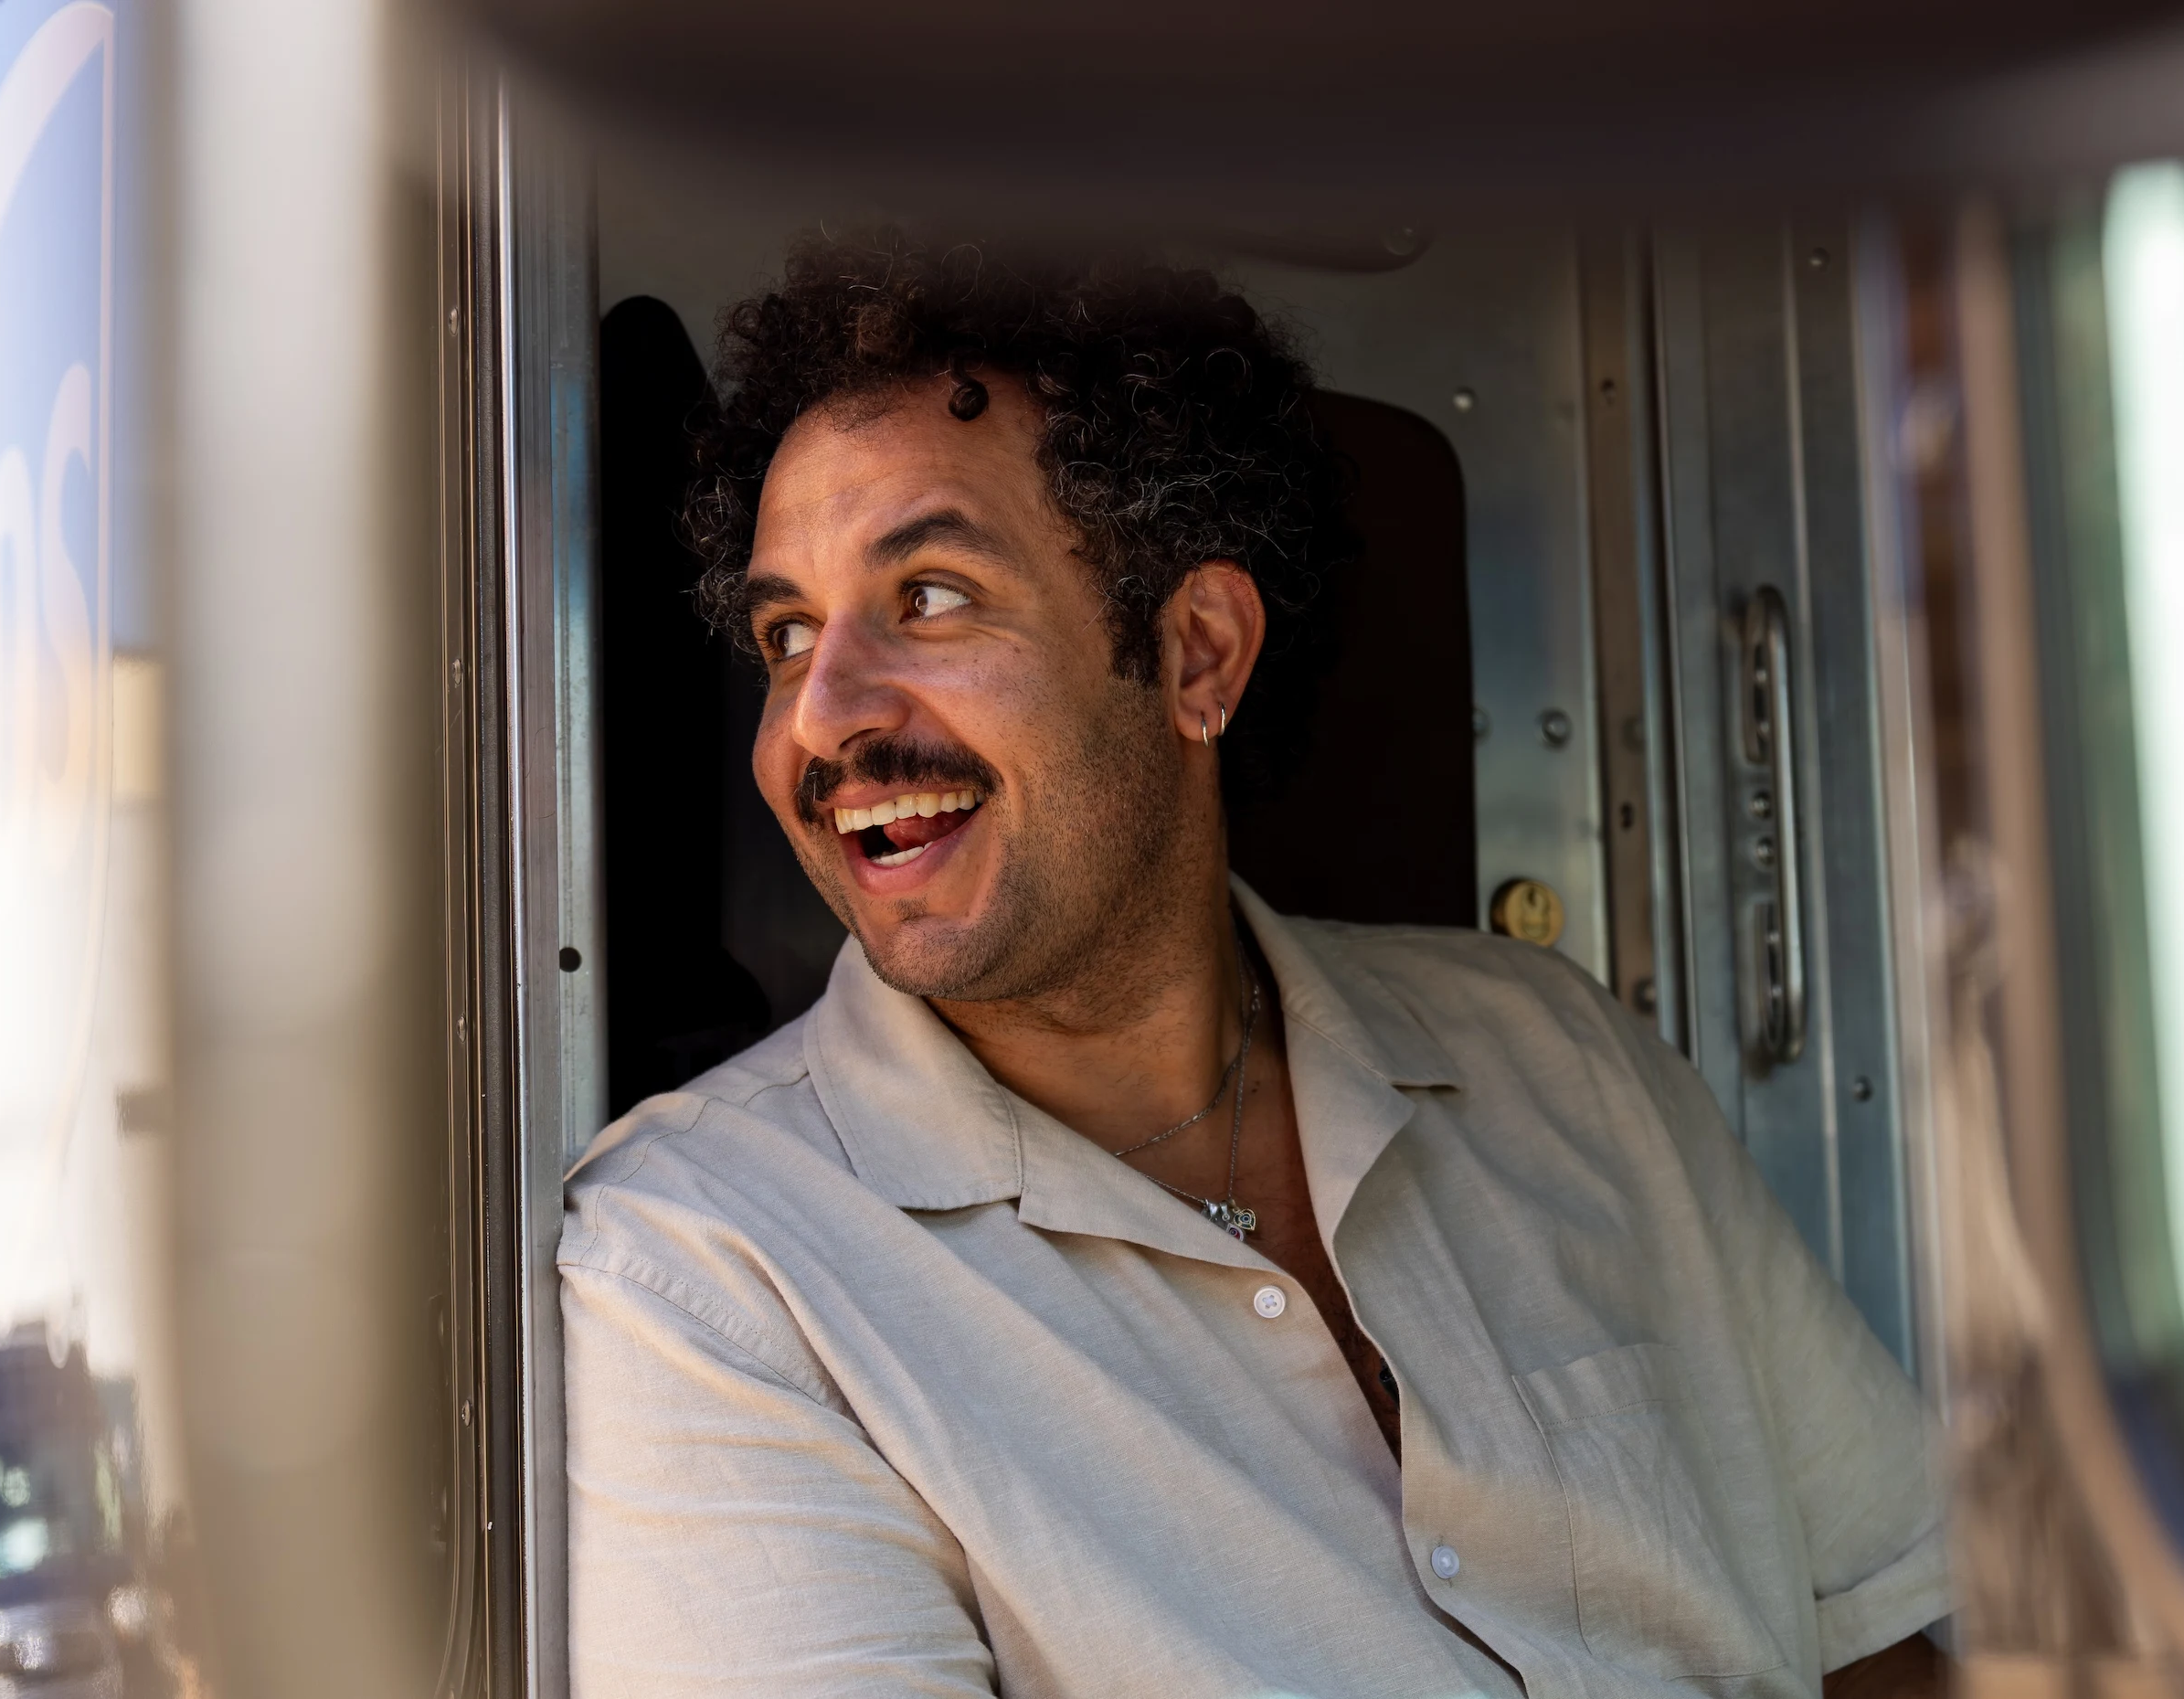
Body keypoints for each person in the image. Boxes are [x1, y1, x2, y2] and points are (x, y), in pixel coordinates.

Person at [561, 234, 1948, 1698]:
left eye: (930, 598)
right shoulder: (708, 1275)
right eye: (786, 633)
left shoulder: (1555, 1053)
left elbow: (1876, 1640)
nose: (820, 719)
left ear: (1196, 655)